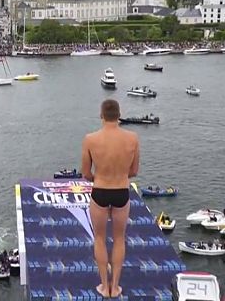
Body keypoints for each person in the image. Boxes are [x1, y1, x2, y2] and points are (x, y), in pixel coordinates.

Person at [82, 99, 139, 299]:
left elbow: (86, 173)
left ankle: (103, 286)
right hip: (121, 191)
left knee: (99, 238)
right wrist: (119, 175)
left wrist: (100, 177)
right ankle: (115, 287)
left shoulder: (90, 139)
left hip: (100, 191)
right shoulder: (132, 138)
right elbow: (134, 171)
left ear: (101, 115)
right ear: (119, 115)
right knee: (119, 239)